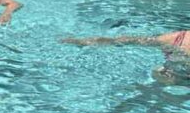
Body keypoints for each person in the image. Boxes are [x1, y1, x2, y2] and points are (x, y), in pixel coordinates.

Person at [61, 30, 190, 83]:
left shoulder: (177, 39)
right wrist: (85, 42)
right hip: (167, 81)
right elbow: (130, 41)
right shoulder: (176, 39)